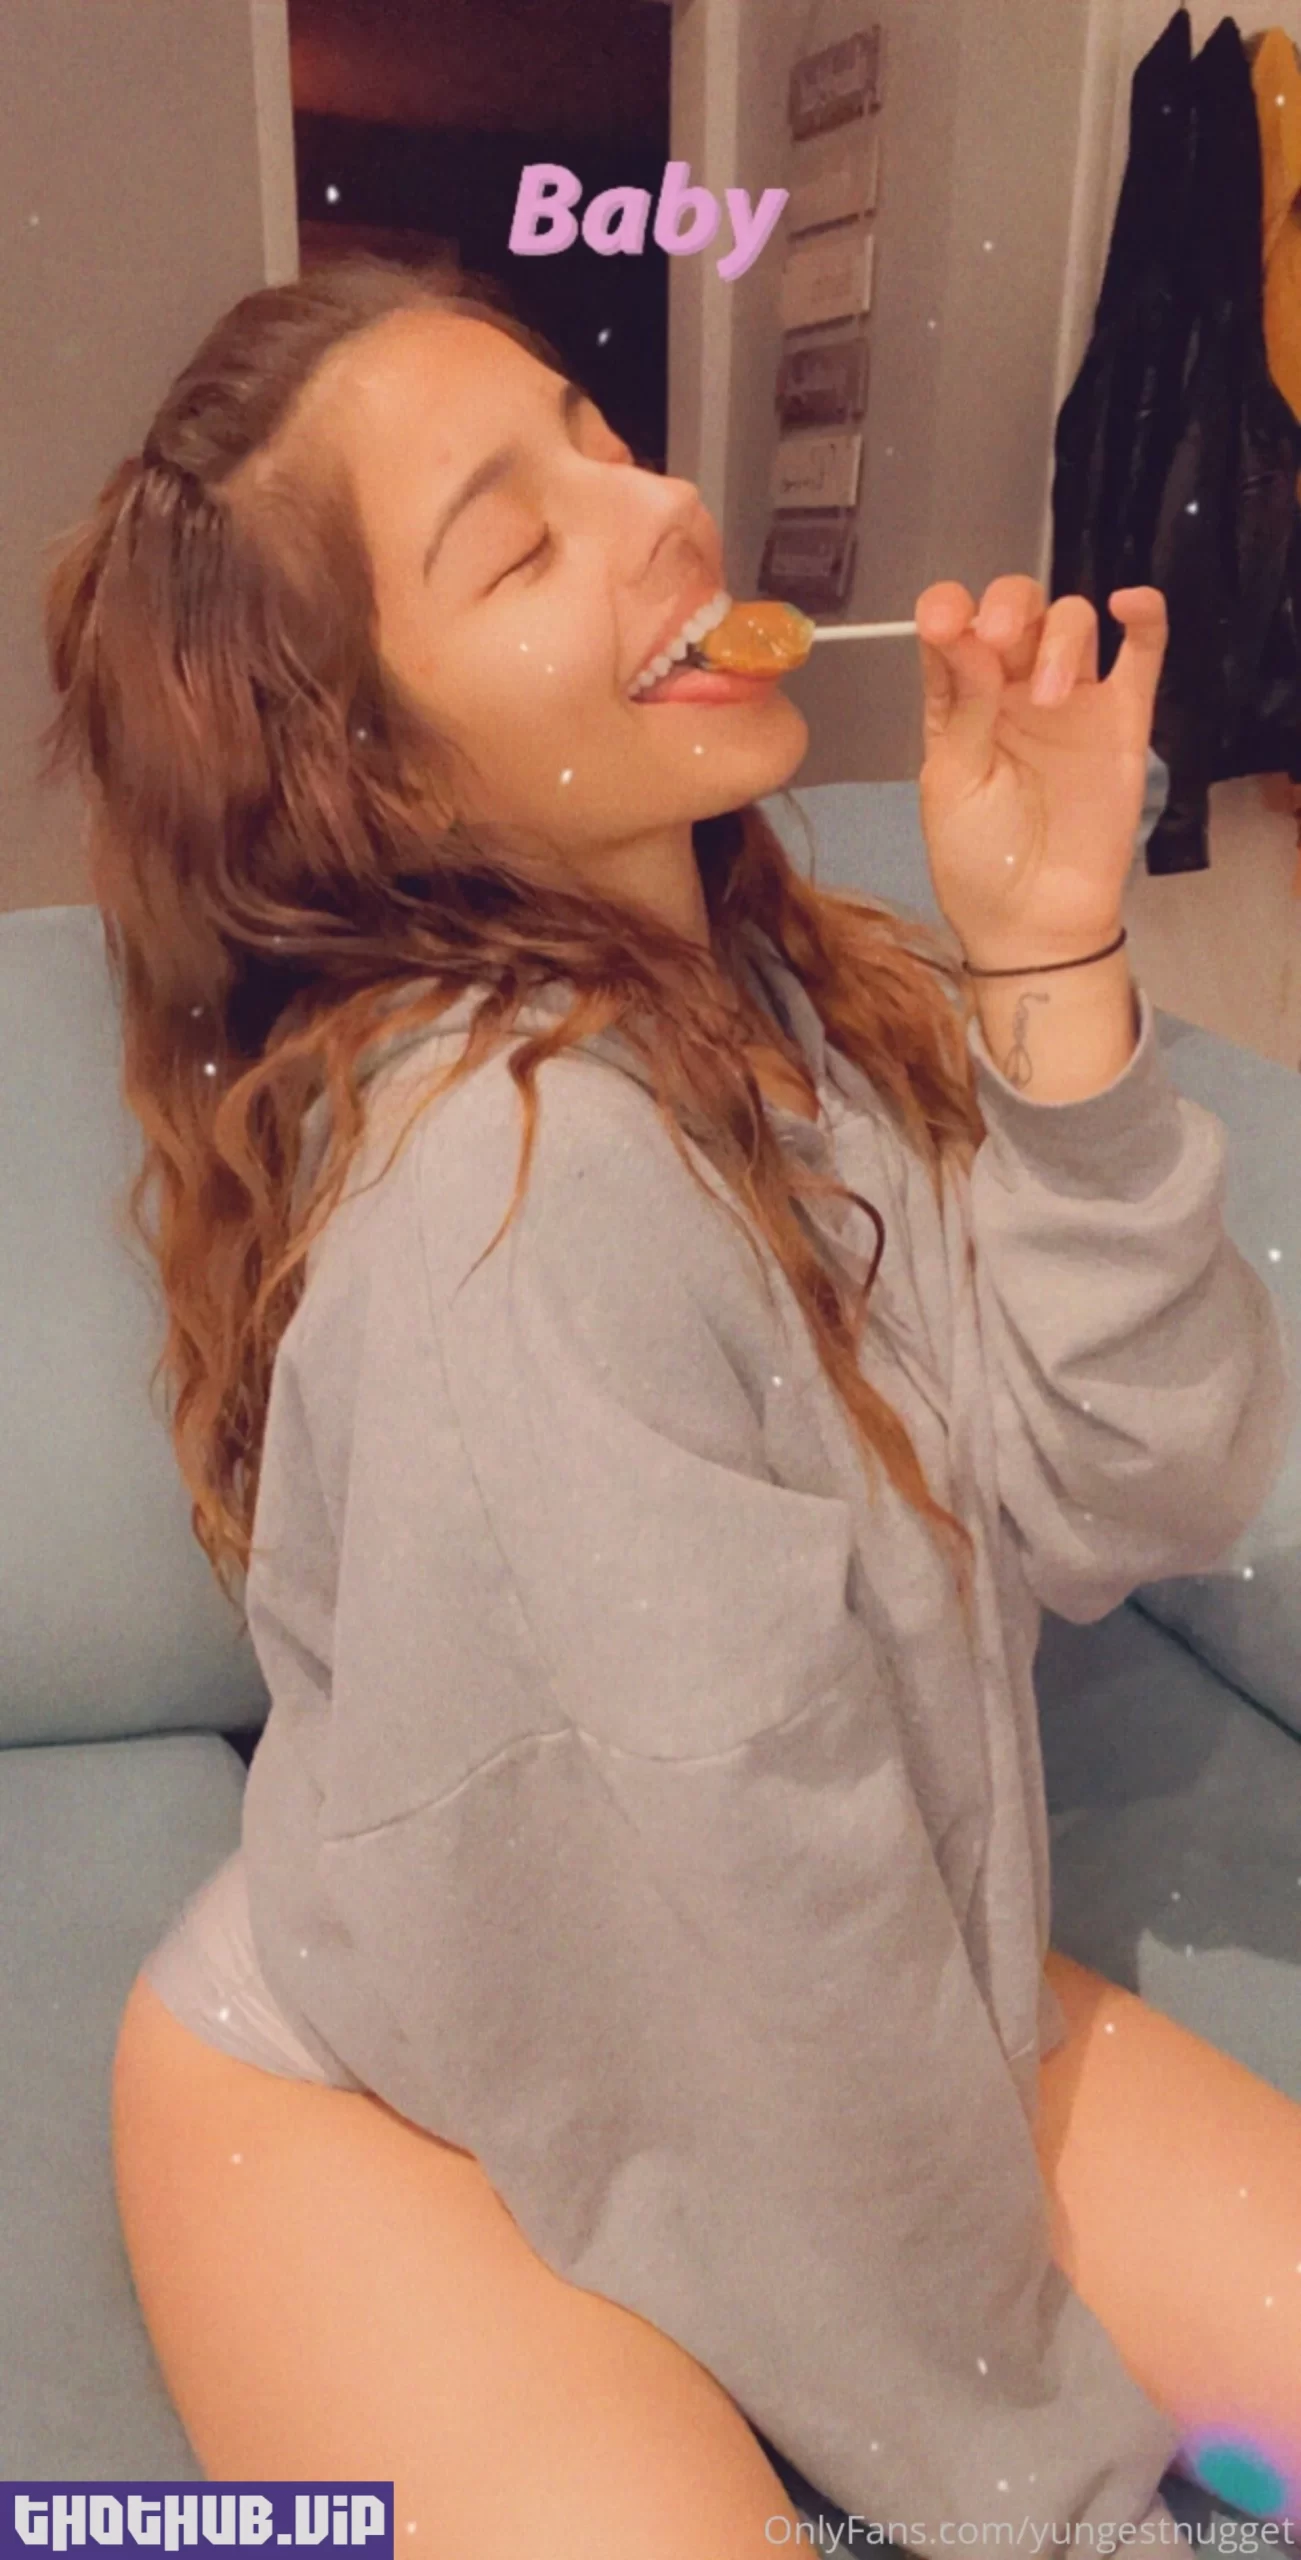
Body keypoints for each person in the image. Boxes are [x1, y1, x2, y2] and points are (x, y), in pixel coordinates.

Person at [40, 255, 1301, 2553]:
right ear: (367, 769)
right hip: (382, 2100)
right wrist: (1050, 2486)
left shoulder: (798, 999)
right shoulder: (511, 1200)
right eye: (518, 545)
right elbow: (743, 1964)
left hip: (781, 1973)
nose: (665, 511)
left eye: (606, 446)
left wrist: (1046, 952)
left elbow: (1139, 1486)